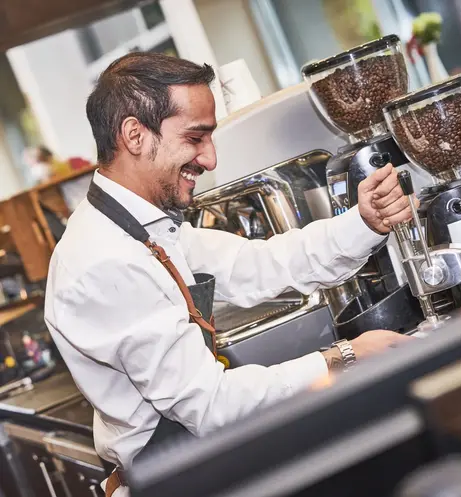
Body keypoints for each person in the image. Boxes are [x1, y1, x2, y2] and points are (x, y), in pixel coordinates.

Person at [44, 52, 416, 497]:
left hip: (198, 464)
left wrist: (365, 222)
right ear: (134, 135)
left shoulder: (146, 228)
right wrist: (345, 356)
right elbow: (212, 406)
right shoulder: (104, 261)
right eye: (195, 137)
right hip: (179, 482)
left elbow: (260, 265)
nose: (210, 158)